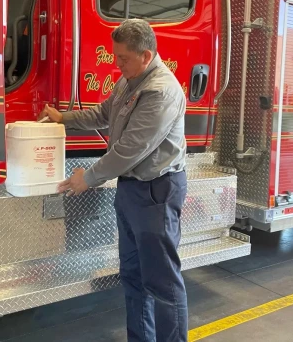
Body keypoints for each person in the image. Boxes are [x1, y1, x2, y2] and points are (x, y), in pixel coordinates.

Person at [39, 19, 188, 342]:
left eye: (123, 58)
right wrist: (64, 117)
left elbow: (129, 150)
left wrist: (87, 178)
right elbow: (103, 113)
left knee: (161, 283)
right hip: (131, 191)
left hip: (155, 193)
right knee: (133, 277)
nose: (117, 64)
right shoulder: (129, 81)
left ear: (146, 56)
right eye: (116, 56)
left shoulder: (160, 91)